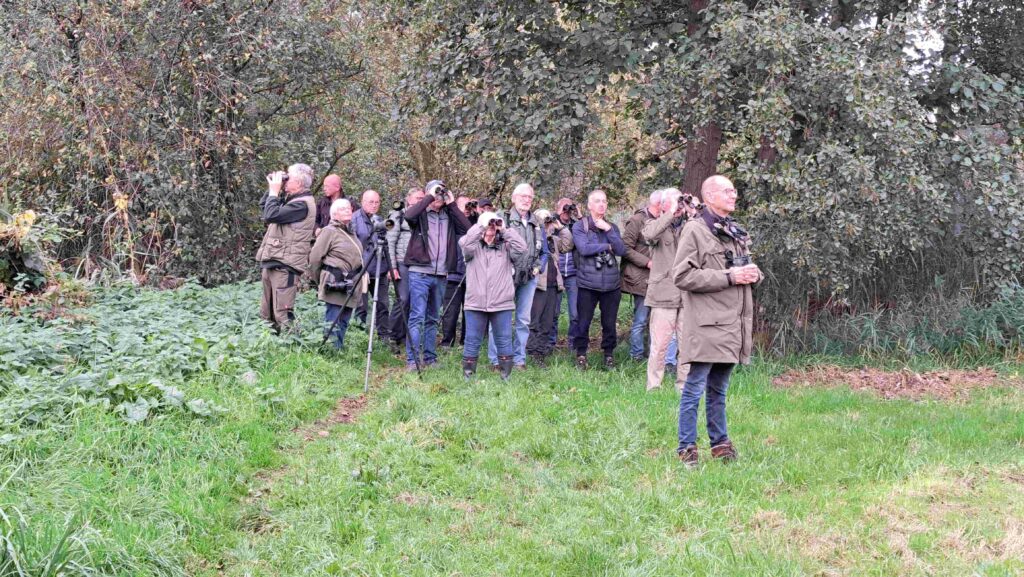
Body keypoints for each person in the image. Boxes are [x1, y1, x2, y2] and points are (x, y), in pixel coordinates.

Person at [673, 175, 761, 467]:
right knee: (694, 388)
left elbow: (740, 268)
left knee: (719, 389)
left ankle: (720, 444)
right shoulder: (695, 230)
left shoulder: (733, 230)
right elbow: (682, 276)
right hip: (706, 325)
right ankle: (687, 448)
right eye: (727, 191)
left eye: (734, 190)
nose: (734, 195)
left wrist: (752, 273)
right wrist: (729, 276)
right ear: (709, 196)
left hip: (731, 324)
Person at [404, 180, 473, 371]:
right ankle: (412, 360)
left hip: (441, 274)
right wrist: (429, 197)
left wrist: (452, 204)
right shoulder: (420, 214)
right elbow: (408, 215)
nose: (438, 197)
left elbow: (469, 230)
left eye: (440, 193)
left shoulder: (448, 215)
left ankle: (430, 357)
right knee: (417, 317)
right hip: (420, 272)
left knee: (433, 318)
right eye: (436, 193)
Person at [459, 211, 526, 380]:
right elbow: (465, 244)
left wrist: (504, 229)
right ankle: (468, 377)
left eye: (493, 224)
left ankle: (506, 377)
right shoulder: (472, 247)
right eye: (488, 224)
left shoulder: (506, 246)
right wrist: (481, 226)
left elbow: (522, 248)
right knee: (472, 340)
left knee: (504, 340)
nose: (491, 227)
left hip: (501, 302)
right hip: (476, 302)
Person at [488, 183, 548, 369]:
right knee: (499, 317)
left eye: (530, 197)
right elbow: (489, 245)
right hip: (505, 277)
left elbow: (545, 252)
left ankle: (519, 360)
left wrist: (539, 267)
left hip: (529, 277)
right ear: (513, 198)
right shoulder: (501, 218)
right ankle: (496, 360)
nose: (526, 200)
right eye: (523, 196)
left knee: (523, 320)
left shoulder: (537, 222)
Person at [642, 188, 694, 391]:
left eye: (679, 202)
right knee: (660, 345)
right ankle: (654, 386)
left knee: (687, 345)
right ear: (663, 205)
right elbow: (649, 235)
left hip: (687, 294)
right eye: (673, 202)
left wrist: (693, 212)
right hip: (663, 294)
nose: (678, 206)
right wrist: (670, 213)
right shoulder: (654, 224)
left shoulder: (690, 226)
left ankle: (684, 387)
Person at [256, 163, 317, 334]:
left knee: (283, 313)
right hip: (275, 260)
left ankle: (293, 344)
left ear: (298, 183)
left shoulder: (302, 205)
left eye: (288, 177)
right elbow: (265, 207)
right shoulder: (292, 201)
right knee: (267, 312)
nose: (285, 179)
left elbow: (271, 215)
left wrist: (275, 192)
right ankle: (271, 344)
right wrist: (273, 189)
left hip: (286, 265)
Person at [571, 189, 626, 369]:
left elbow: (621, 250)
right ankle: (581, 354)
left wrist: (608, 230)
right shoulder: (580, 226)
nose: (601, 204)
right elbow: (583, 248)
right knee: (583, 322)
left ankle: (609, 355)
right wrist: (606, 246)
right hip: (587, 283)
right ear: (589, 205)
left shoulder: (612, 227)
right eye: (597, 201)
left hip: (611, 284)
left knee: (609, 323)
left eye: (604, 201)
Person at [308, 199, 366, 349]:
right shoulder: (329, 231)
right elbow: (314, 258)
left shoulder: (351, 232)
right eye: (342, 209)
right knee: (333, 319)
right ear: (334, 214)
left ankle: (338, 350)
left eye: (348, 208)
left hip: (351, 283)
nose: (347, 210)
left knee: (345, 319)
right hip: (335, 281)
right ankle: (330, 350)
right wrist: (321, 279)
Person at [525, 208, 573, 366]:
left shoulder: (554, 240)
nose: (547, 224)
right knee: (534, 321)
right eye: (544, 220)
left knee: (548, 321)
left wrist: (561, 227)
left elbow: (568, 244)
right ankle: (531, 351)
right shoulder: (533, 238)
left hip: (553, 285)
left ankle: (541, 352)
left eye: (548, 221)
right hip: (538, 285)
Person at [621, 191, 660, 361]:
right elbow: (625, 248)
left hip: (659, 280)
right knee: (641, 320)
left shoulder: (664, 221)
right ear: (658, 204)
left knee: (656, 321)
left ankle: (653, 356)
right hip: (640, 279)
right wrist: (647, 262)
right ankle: (636, 356)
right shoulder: (637, 220)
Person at [386, 187, 422, 351]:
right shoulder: (398, 215)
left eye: (422, 198)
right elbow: (390, 242)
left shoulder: (424, 216)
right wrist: (392, 267)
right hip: (402, 263)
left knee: (414, 300)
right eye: (417, 198)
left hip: (418, 264)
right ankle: (392, 335)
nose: (420, 201)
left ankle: (405, 336)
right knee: (403, 298)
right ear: (409, 199)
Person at [353, 190, 391, 340]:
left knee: (383, 305)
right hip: (362, 271)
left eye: (377, 202)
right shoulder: (354, 219)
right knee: (361, 307)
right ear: (363, 202)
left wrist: (390, 267)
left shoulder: (380, 221)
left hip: (380, 269)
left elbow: (386, 244)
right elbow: (353, 245)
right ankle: (359, 338)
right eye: (371, 202)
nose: (374, 205)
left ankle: (383, 338)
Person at [549, 197, 581, 348]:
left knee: (575, 313)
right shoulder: (551, 223)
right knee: (553, 312)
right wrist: (557, 216)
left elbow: (589, 232)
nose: (567, 211)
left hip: (573, 273)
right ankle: (551, 343)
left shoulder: (576, 225)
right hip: (556, 273)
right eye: (564, 207)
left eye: (569, 207)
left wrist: (579, 215)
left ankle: (573, 344)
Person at [440, 195, 471, 347]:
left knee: (469, 311)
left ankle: (466, 342)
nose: (467, 209)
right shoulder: (449, 220)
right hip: (453, 272)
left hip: (471, 275)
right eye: (464, 205)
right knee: (450, 311)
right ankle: (447, 342)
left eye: (469, 205)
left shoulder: (476, 222)